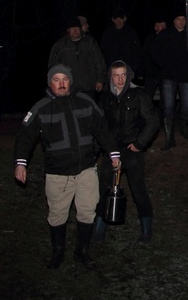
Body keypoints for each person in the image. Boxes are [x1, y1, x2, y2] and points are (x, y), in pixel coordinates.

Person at [13, 64, 120, 270]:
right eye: (56, 79)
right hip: (58, 174)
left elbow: (102, 129)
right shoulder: (41, 107)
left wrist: (113, 153)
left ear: (70, 81)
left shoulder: (85, 102)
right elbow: (25, 137)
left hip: (86, 170)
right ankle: (58, 252)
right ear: (50, 83)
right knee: (57, 214)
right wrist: (20, 163)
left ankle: (82, 251)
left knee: (88, 211)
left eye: (65, 79)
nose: (61, 84)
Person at [92, 60, 159, 245]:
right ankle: (99, 227)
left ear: (128, 75)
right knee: (103, 189)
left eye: (123, 75)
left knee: (138, 190)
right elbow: (100, 126)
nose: (120, 79)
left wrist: (139, 143)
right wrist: (98, 149)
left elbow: (152, 121)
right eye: (116, 75)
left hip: (132, 150)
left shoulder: (139, 94)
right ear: (110, 77)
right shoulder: (106, 97)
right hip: (112, 150)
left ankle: (146, 228)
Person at [152, 12, 188, 149]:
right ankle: (169, 136)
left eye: (183, 19)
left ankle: (183, 127)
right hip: (169, 76)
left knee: (186, 105)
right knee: (168, 106)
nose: (181, 22)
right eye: (178, 19)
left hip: (186, 77)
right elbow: (154, 52)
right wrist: (164, 66)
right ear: (173, 21)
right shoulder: (165, 34)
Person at [48, 16, 107, 101]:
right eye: (72, 28)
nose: (75, 31)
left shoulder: (90, 42)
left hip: (88, 87)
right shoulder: (60, 45)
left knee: (89, 112)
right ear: (68, 30)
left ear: (80, 29)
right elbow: (52, 66)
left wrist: (100, 80)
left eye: (77, 28)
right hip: (68, 88)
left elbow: (99, 62)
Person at [99, 8, 143, 75]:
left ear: (124, 19)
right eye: (116, 19)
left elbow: (137, 53)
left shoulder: (131, 33)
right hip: (111, 70)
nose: (118, 21)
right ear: (113, 20)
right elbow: (102, 53)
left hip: (127, 70)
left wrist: (133, 69)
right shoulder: (107, 34)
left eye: (121, 19)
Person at [141, 15, 167, 102]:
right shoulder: (150, 39)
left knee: (165, 99)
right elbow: (145, 55)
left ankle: (164, 115)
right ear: (155, 27)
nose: (162, 27)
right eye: (160, 25)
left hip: (165, 74)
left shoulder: (170, 38)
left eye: (164, 25)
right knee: (148, 98)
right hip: (151, 74)